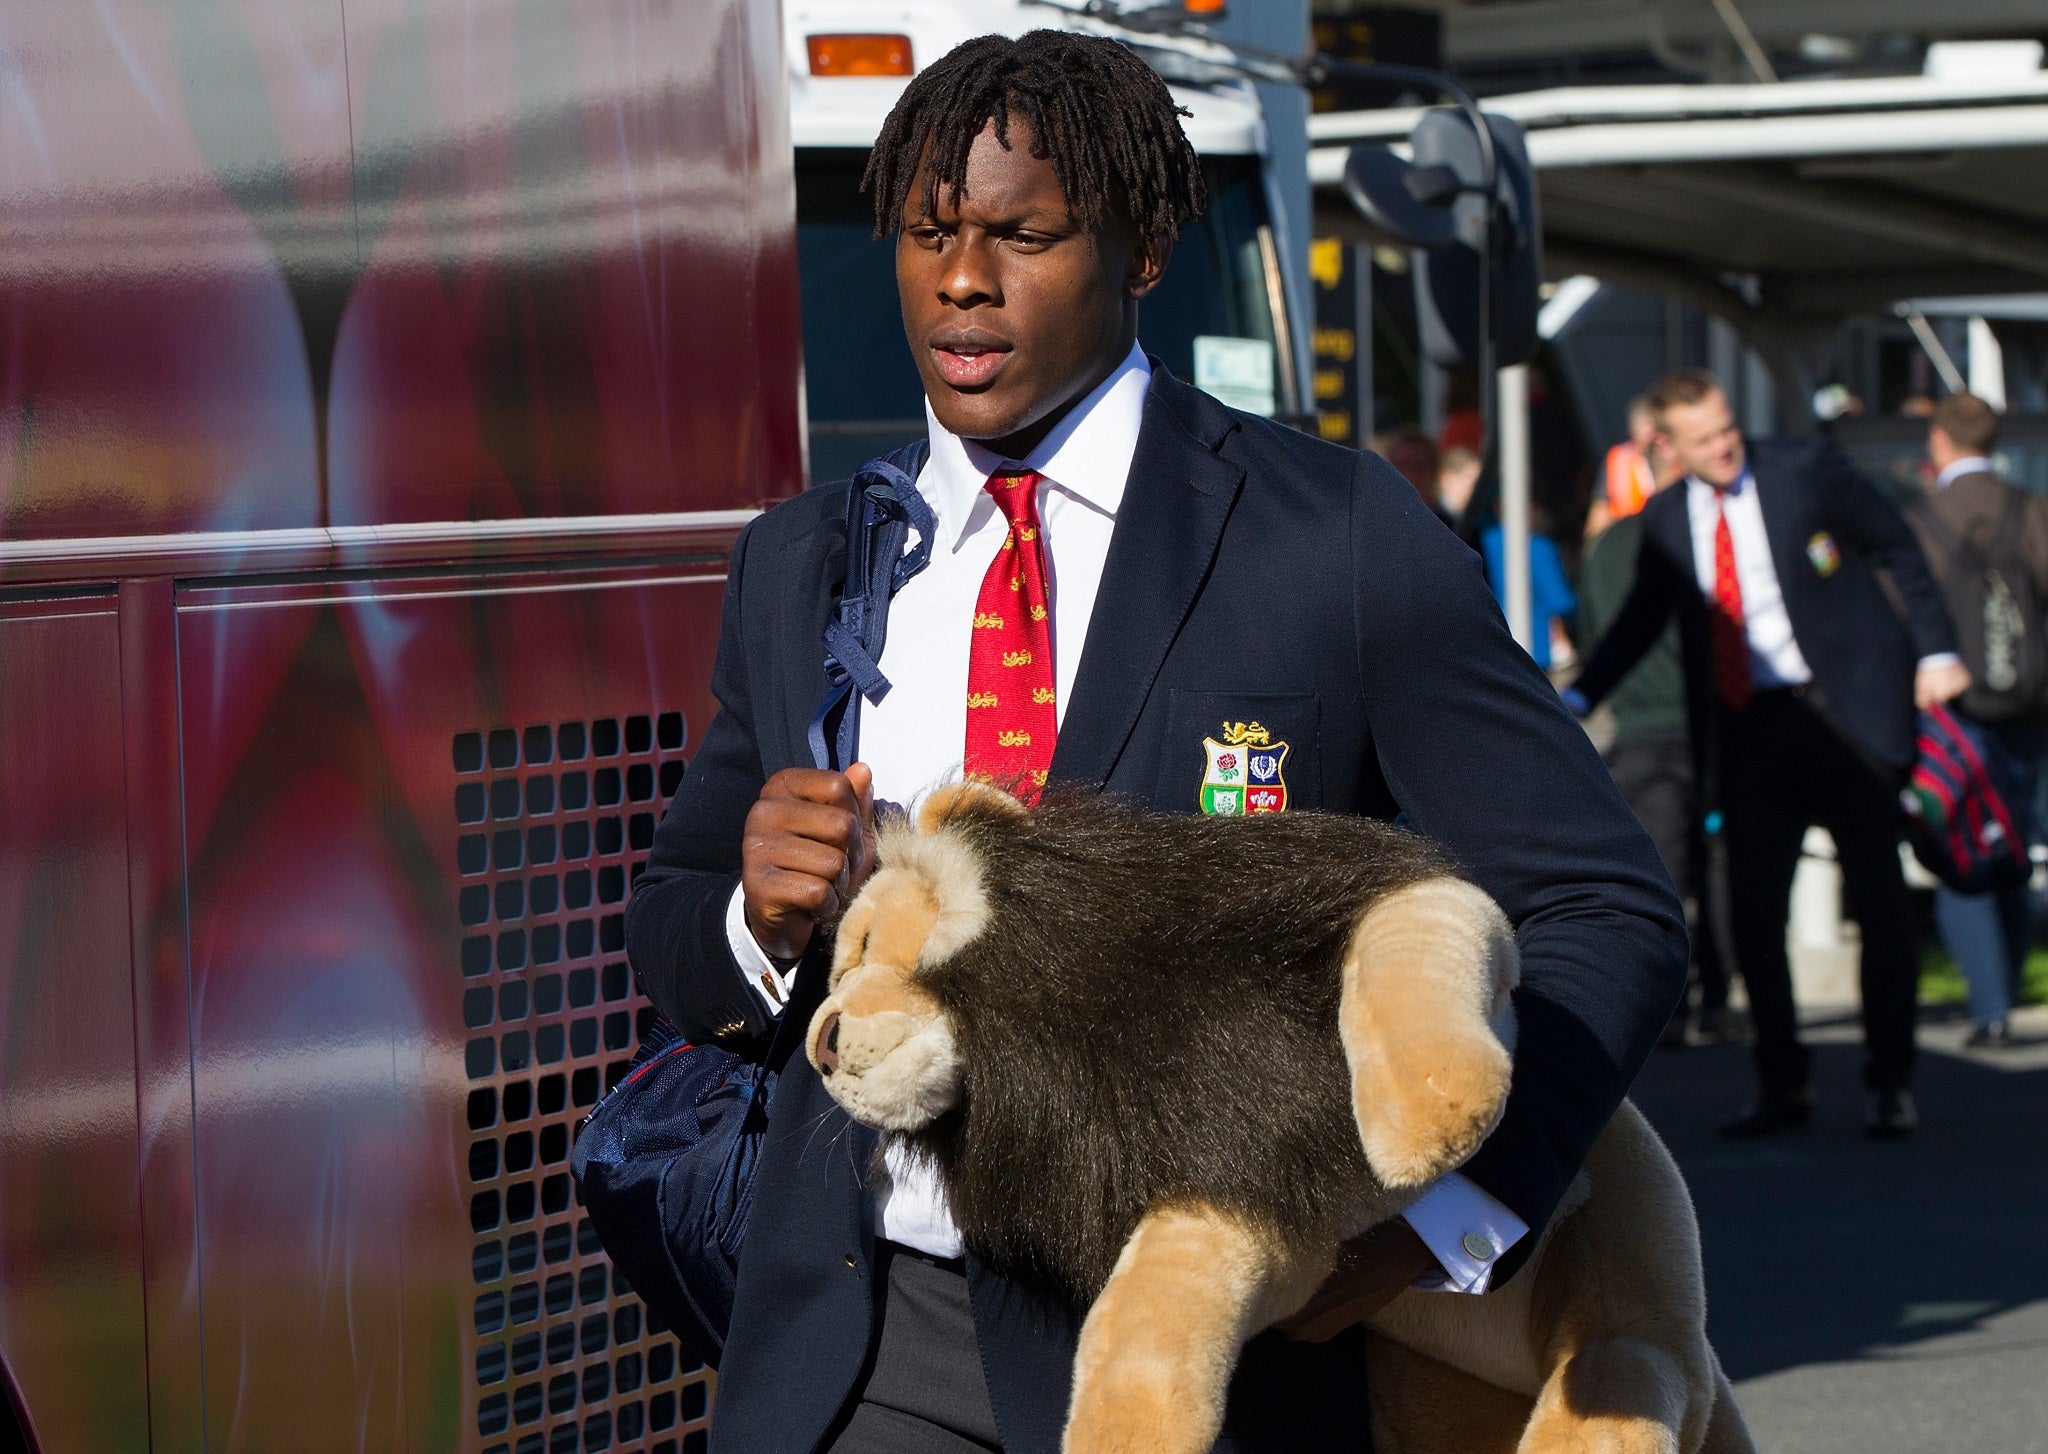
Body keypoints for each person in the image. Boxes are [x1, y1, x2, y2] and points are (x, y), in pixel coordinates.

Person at [626, 31, 1685, 1453]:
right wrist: (755, 915)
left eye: (1025, 233)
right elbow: (675, 923)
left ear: (1139, 253)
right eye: (930, 233)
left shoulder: (1336, 537)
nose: (962, 278)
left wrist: (1444, 1213)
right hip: (857, 1348)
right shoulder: (806, 560)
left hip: (1208, 1372)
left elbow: (1599, 903)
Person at [1567, 369, 1966, 1140]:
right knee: (1753, 912)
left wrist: (1937, 652)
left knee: (1881, 903)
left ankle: (1891, 1081)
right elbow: (1642, 617)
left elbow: (1897, 548)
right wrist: (1582, 696)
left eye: (1726, 428)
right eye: (1704, 437)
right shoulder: (1667, 519)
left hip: (1846, 713)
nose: (1723, 445)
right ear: (1666, 446)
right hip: (1749, 727)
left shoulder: (1801, 471)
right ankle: (1783, 1085)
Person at [1577, 432, 1738, 1044]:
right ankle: (1720, 995)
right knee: (1720, 864)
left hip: (1641, 727)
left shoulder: (1609, 545)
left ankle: (1670, 1005)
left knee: (1663, 872)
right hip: (1711, 721)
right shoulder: (1693, 535)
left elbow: (1598, 629)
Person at [1909, 392, 2048, 1048]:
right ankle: (2006, 987)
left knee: (1959, 846)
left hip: (1950, 718)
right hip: (2027, 707)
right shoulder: (2028, 510)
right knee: (2013, 847)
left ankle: (1988, 1005)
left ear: (1939, 441)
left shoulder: (1924, 517)